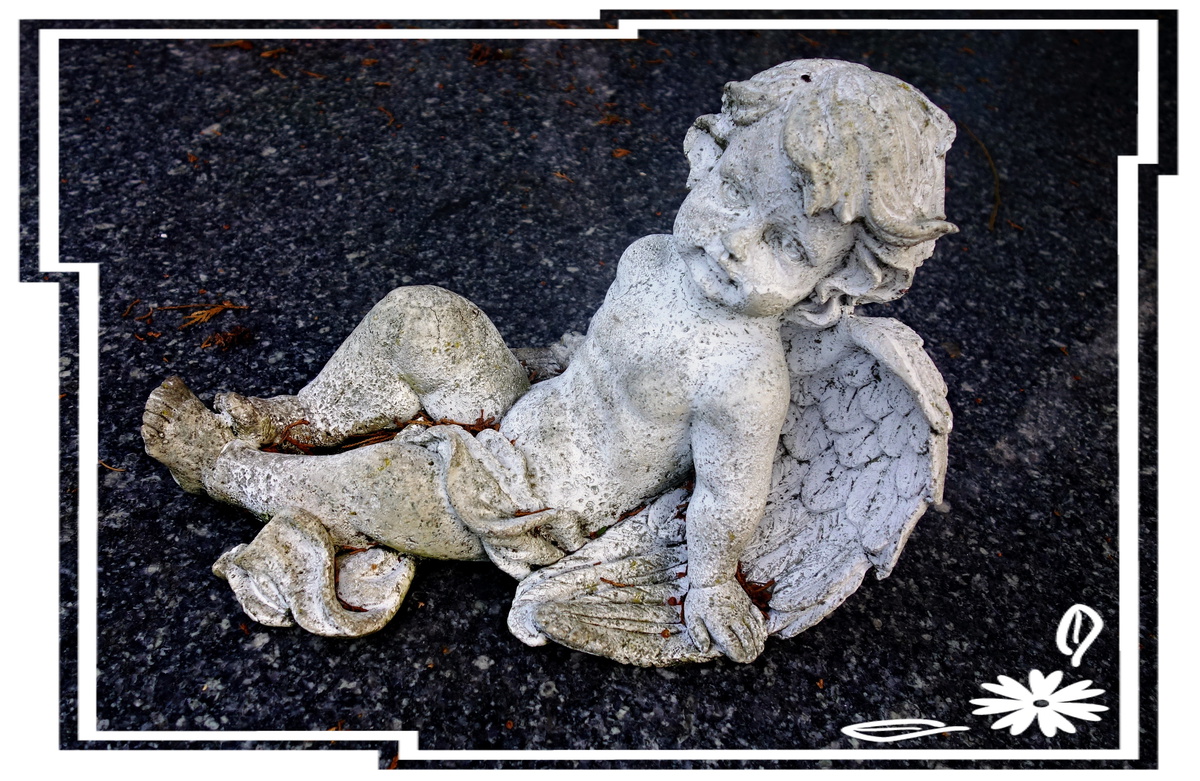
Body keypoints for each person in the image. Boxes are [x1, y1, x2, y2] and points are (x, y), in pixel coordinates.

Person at [142, 58, 956, 663]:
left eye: (788, 244)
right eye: (738, 192)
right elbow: (587, 359)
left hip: (532, 509)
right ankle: (302, 417)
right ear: (711, 155)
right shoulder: (652, 257)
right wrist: (520, 367)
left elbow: (729, 497)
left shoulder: (745, 378)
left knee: (382, 482)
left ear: (832, 285)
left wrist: (710, 581)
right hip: (519, 412)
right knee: (426, 315)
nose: (737, 242)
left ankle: (225, 467)